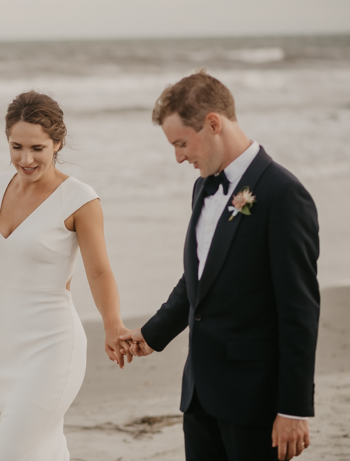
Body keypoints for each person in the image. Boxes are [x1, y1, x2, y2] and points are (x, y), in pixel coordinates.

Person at [0, 90, 131, 460]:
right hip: (10, 347)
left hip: (55, 346)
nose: (25, 159)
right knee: (44, 450)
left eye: (38, 148)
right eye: (16, 147)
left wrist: (113, 325)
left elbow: (99, 270)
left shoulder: (79, 199)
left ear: (57, 143)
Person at [120, 70, 320, 461]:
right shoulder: (203, 186)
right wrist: (151, 335)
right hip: (199, 394)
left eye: (181, 143)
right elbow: (198, 279)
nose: (179, 157)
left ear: (213, 124)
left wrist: (294, 408)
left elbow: (299, 310)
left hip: (254, 399)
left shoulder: (284, 196)